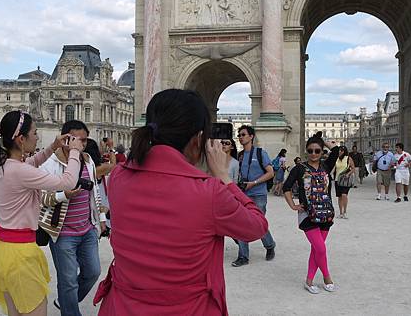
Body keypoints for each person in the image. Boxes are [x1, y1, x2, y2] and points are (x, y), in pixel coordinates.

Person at [93, 89, 268, 315]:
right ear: (197, 139)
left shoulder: (118, 177)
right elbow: (257, 226)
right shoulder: (210, 192)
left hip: (122, 306)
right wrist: (224, 176)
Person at [0, 110, 83, 316]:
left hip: (2, 250)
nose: (37, 137)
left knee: (15, 312)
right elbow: (67, 182)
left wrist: (54, 146)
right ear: (21, 139)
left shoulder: (6, 165)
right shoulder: (19, 171)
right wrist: (74, 152)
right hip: (20, 255)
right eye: (35, 133)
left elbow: (33, 161)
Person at [37, 120, 108, 316]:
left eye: (85, 141)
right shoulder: (49, 163)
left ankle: (66, 300)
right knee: (67, 280)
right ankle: (70, 309)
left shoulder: (87, 160)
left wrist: (101, 218)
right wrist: (64, 195)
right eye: (78, 140)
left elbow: (95, 191)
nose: (81, 145)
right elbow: (40, 198)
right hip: (62, 233)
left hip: (87, 228)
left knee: (93, 272)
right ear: (65, 138)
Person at [282, 132, 339, 294]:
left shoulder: (326, 166)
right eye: (310, 150)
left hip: (326, 213)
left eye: (317, 150)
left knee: (316, 249)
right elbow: (286, 187)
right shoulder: (299, 169)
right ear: (306, 151)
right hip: (308, 214)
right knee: (320, 249)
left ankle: (309, 280)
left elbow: (337, 150)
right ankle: (327, 277)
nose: (313, 153)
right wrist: (293, 205)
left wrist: (322, 141)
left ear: (322, 152)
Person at [233, 124, 276, 267]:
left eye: (243, 134)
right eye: (239, 135)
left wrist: (254, 182)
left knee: (258, 224)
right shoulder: (240, 155)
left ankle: (270, 245)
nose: (240, 137)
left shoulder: (260, 153)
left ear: (251, 136)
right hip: (244, 194)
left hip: (258, 194)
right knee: (241, 223)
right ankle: (243, 256)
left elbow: (271, 172)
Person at [333, 145, 355, 219]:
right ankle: (341, 212)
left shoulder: (348, 158)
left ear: (344, 151)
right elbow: (334, 168)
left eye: (341, 150)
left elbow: (353, 168)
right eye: (339, 150)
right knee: (339, 196)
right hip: (337, 179)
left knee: (344, 195)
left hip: (345, 179)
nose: (340, 152)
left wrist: (348, 174)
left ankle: (345, 211)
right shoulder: (336, 159)